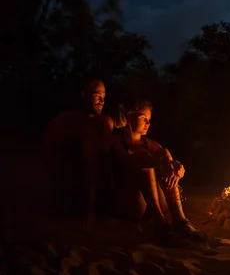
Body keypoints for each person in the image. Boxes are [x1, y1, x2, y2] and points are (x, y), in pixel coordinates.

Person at [110, 99, 206, 246]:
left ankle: (179, 220)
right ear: (128, 117)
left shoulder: (150, 143)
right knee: (147, 166)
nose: (148, 123)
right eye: (143, 118)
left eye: (149, 120)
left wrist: (175, 167)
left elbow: (168, 159)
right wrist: (161, 163)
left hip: (156, 203)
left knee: (165, 161)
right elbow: (131, 162)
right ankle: (161, 225)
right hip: (131, 204)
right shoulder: (117, 141)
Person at [43, 78, 114, 220]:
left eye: (104, 97)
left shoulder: (104, 122)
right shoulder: (65, 119)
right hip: (71, 183)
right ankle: (87, 209)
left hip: (102, 186)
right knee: (89, 147)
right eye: (97, 95)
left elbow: (108, 151)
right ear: (84, 95)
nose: (101, 101)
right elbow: (49, 148)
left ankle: (100, 205)